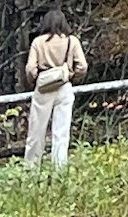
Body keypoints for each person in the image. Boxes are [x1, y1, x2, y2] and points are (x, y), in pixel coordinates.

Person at [23, 11, 89, 169]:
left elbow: (31, 69)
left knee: (36, 132)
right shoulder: (71, 41)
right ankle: (60, 167)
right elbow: (83, 66)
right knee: (61, 132)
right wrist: (72, 75)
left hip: (43, 88)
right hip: (64, 87)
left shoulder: (38, 42)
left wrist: (35, 80)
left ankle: (31, 168)